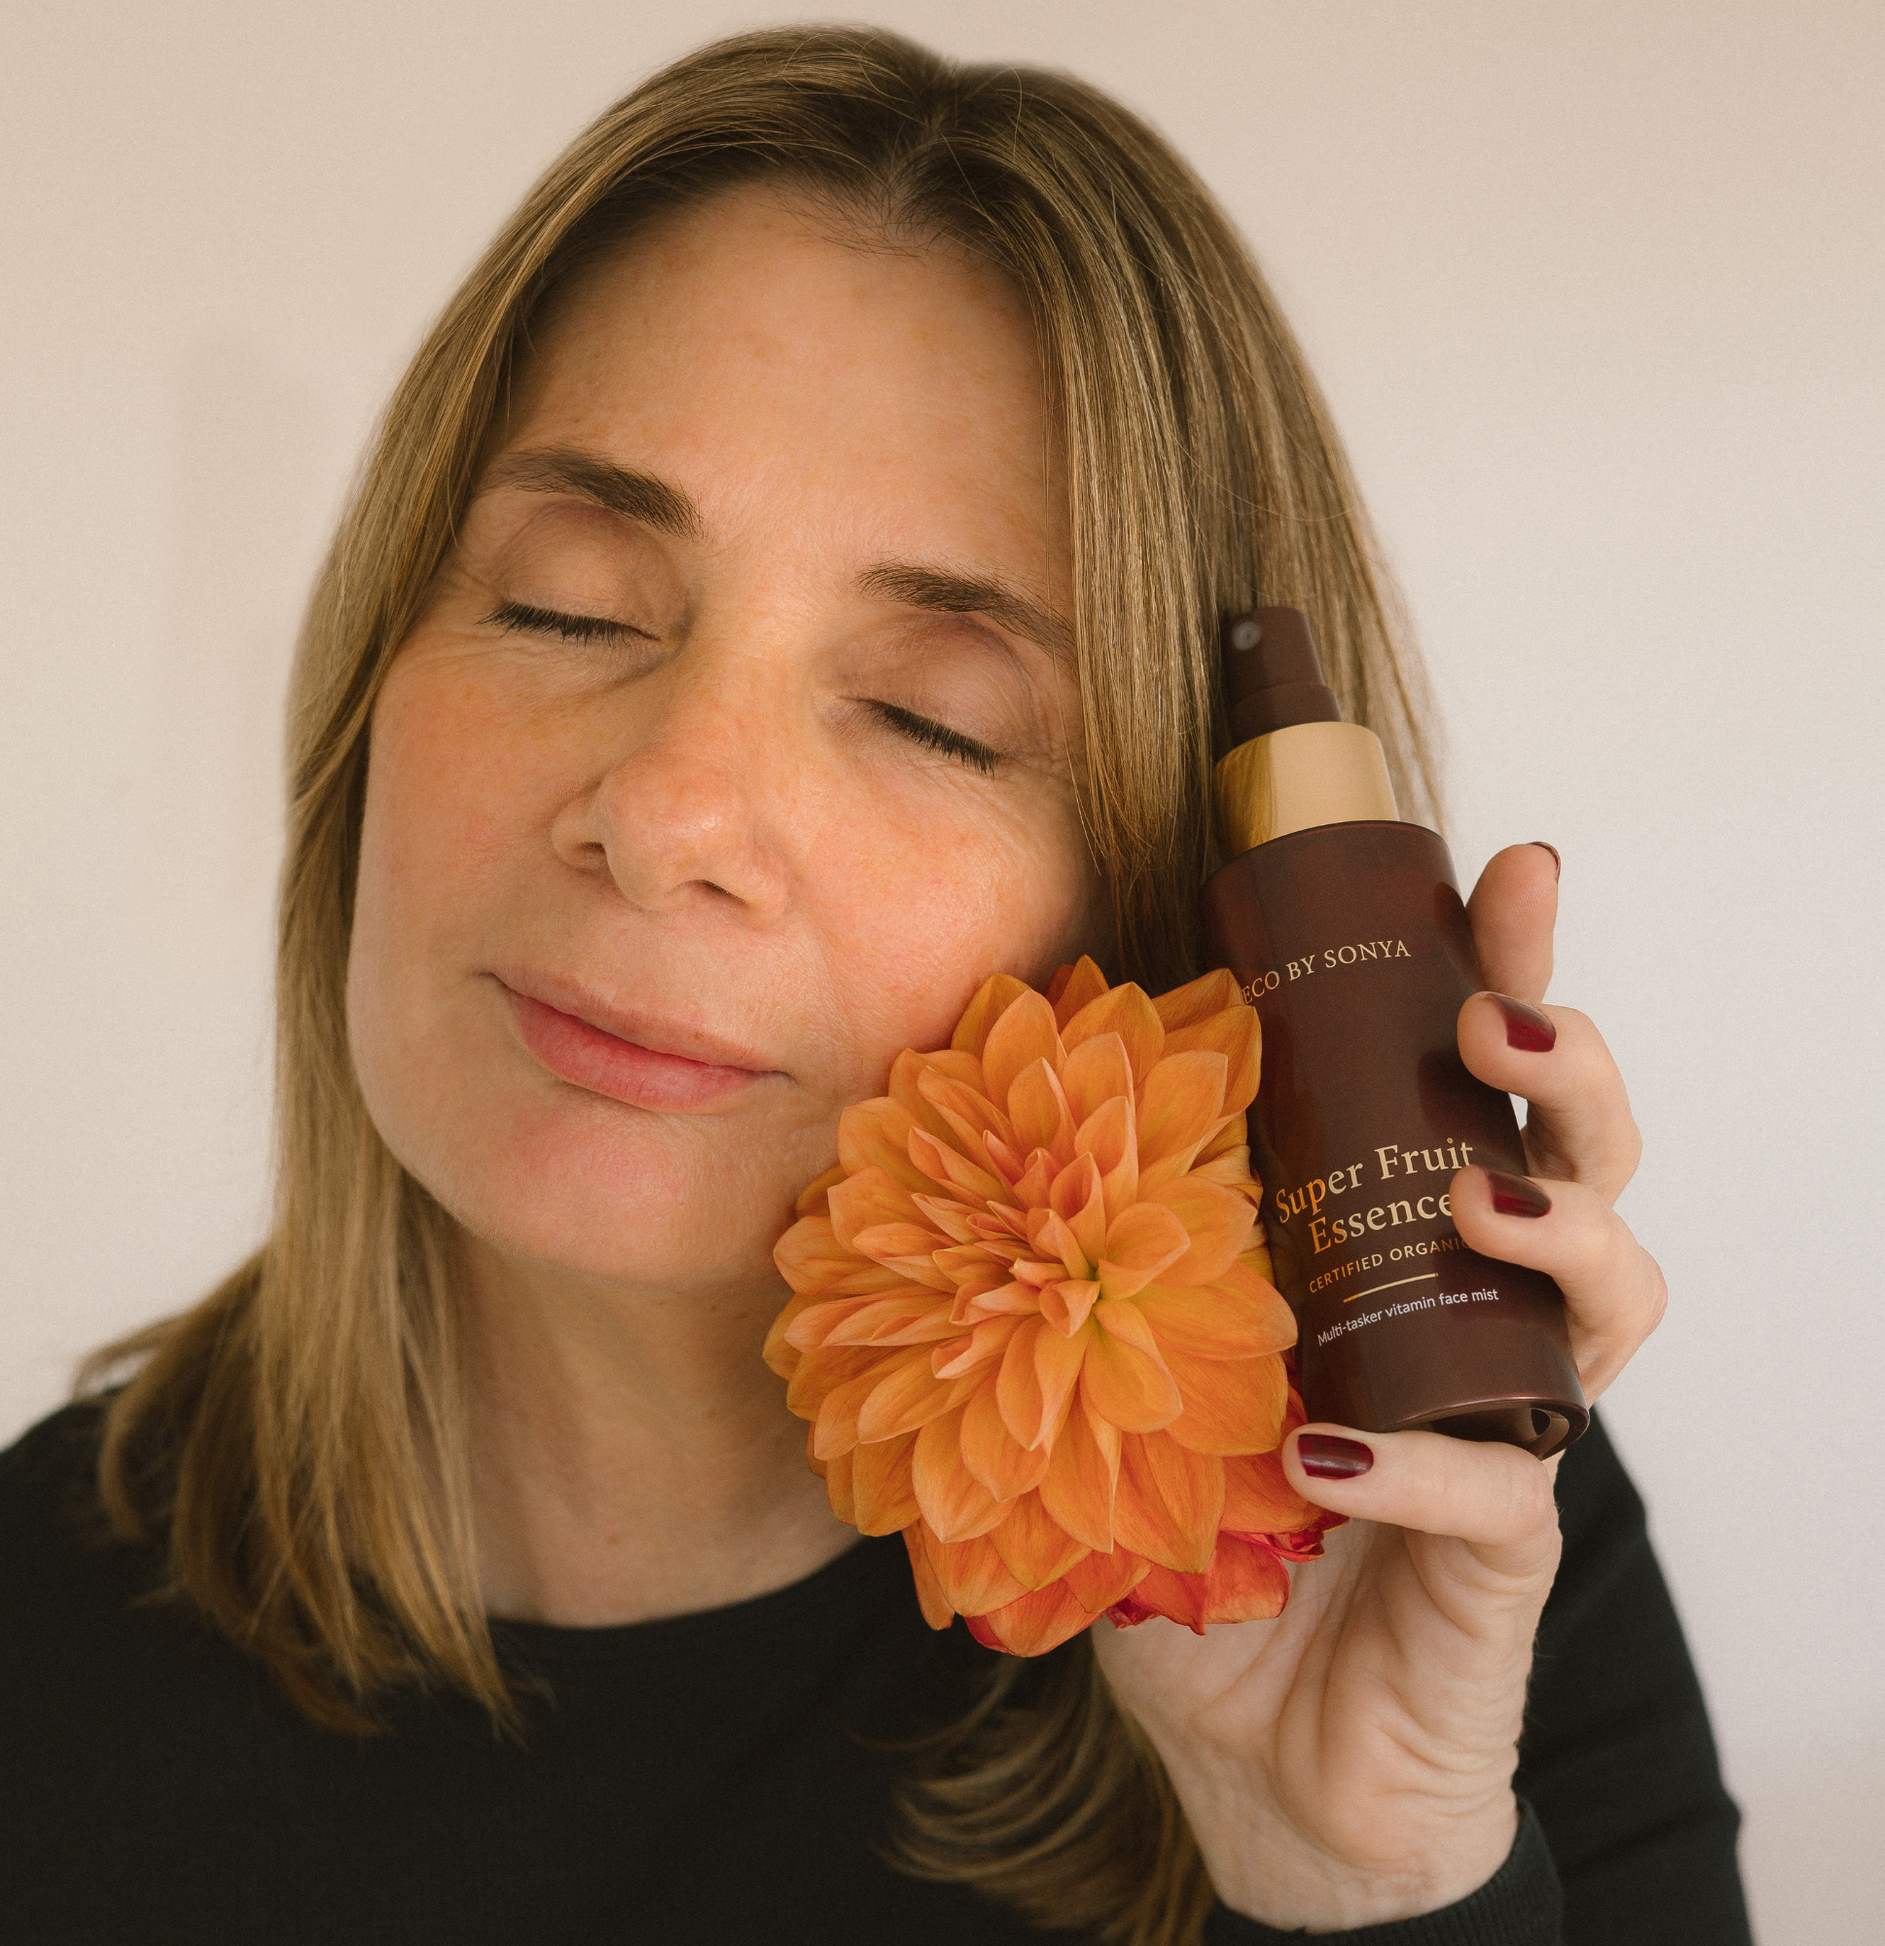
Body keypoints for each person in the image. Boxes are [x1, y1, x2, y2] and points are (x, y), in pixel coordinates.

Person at [0, 27, 1750, 1945]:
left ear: (1161, 908)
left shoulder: (1434, 1556)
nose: (664, 813)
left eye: (932, 717)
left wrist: (1366, 1887)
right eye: (567, 601)